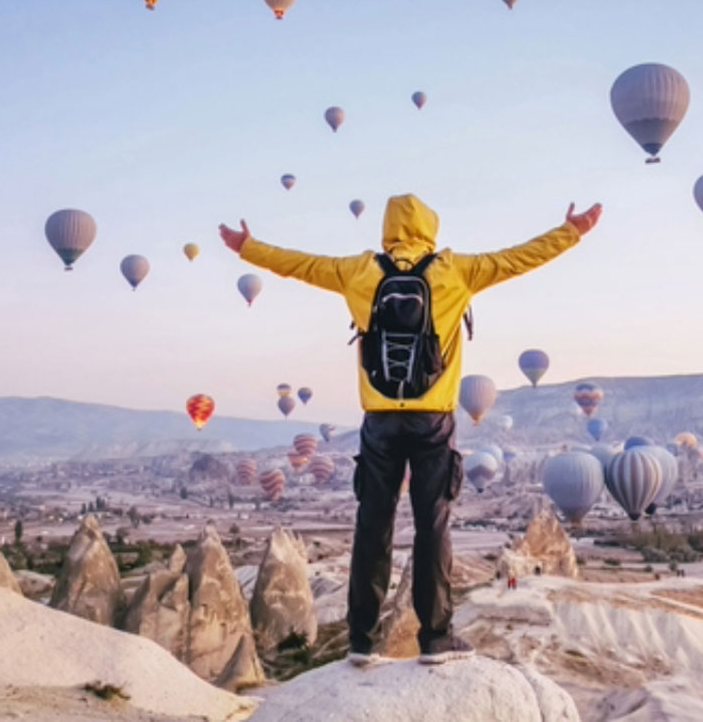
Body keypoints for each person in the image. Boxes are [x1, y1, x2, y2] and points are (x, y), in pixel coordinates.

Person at [221, 194, 600, 665]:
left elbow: (298, 264)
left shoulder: (359, 271)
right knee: (432, 528)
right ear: (430, 228)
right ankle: (436, 640)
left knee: (372, 527)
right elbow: (519, 258)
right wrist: (572, 231)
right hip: (433, 421)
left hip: (379, 420)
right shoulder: (455, 270)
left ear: (386, 228)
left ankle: (360, 640)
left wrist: (247, 248)